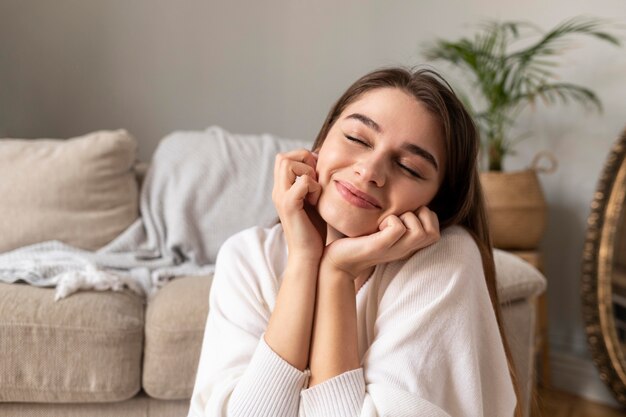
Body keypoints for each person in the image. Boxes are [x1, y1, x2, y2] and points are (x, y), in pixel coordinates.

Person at [188, 67, 520, 417]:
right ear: (321, 143)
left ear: (436, 204)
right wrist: (304, 259)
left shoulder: (446, 258)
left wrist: (337, 274)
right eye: (358, 139)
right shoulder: (247, 257)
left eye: (409, 167)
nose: (370, 171)